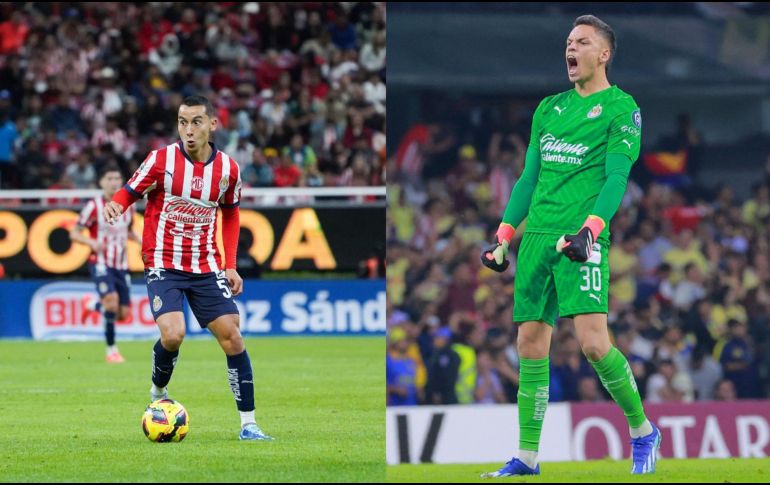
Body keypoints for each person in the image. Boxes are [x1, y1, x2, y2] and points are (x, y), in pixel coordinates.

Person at [480, 15, 659, 477]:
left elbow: (618, 177)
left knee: (594, 346)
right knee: (530, 343)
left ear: (604, 54)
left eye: (581, 42)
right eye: (567, 42)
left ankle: (642, 431)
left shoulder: (622, 108)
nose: (570, 49)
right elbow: (528, 178)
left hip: (580, 236)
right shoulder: (549, 108)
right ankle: (527, 457)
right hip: (537, 236)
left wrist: (591, 230)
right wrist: (504, 235)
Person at [103, 95, 271, 441]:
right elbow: (129, 190)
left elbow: (231, 213)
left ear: (213, 124)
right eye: (182, 122)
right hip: (163, 260)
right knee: (173, 334)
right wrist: (116, 206)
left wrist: (230, 265)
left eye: (196, 122)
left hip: (206, 265)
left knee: (233, 338)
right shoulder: (160, 160)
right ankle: (157, 390)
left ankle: (249, 424)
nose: (188, 130)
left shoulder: (228, 170)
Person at [70, 165, 141, 363]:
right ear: (101, 182)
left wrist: (138, 239)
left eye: (117, 178)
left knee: (123, 314)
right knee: (110, 302)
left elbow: (126, 230)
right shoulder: (94, 206)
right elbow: (74, 232)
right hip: (100, 262)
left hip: (121, 264)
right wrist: (91, 242)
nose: (113, 182)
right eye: (109, 178)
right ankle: (112, 351)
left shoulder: (129, 206)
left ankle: (91, 305)